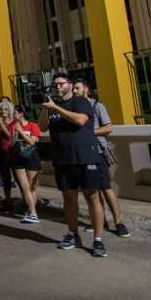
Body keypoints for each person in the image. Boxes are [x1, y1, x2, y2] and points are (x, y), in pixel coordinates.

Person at [39, 72, 109, 258]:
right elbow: (42, 127)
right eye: (55, 86)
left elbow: (80, 120)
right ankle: (72, 234)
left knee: (92, 196)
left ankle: (98, 240)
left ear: (69, 85)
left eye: (60, 84)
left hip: (85, 157)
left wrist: (57, 108)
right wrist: (47, 108)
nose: (58, 88)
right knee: (69, 198)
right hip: (63, 159)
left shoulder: (80, 101)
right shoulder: (52, 106)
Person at [74, 80, 130, 238]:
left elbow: (108, 128)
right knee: (91, 190)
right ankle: (101, 221)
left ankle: (119, 222)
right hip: (83, 154)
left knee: (106, 188)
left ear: (86, 89)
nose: (75, 91)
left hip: (97, 151)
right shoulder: (75, 108)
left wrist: (90, 133)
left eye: (78, 88)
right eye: (74, 88)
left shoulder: (97, 106)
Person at [10, 106, 42, 223]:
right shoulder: (13, 126)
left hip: (31, 157)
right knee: (25, 187)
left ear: (21, 114)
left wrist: (21, 132)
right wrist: (14, 134)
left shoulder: (32, 125)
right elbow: (11, 143)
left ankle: (31, 211)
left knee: (32, 187)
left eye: (15, 113)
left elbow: (32, 141)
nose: (13, 115)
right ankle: (33, 213)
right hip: (18, 157)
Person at [0, 101, 17, 211]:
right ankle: (8, 201)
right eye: (2, 109)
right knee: (5, 177)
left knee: (17, 177)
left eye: (6, 109)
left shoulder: (13, 122)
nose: (3, 111)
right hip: (1, 152)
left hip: (12, 152)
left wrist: (2, 126)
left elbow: (10, 136)